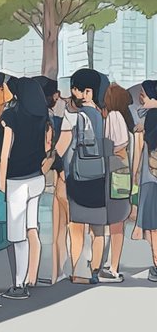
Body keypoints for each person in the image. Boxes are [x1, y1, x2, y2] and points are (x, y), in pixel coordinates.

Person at [0, 77, 54, 299]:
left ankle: (19, 285)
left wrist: (1, 183)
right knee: (32, 227)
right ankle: (32, 276)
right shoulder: (43, 116)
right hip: (36, 179)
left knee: (17, 235)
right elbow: (46, 147)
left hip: (17, 180)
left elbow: (5, 153)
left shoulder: (11, 116)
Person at [55, 68, 110, 284]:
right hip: (99, 175)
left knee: (76, 226)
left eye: (75, 90)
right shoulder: (102, 116)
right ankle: (95, 269)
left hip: (78, 177)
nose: (73, 94)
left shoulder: (74, 117)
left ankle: (78, 271)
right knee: (98, 227)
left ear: (83, 91)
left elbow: (62, 148)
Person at [37, 77, 69, 286]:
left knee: (37, 229)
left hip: (36, 176)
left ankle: (44, 273)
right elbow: (55, 150)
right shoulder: (53, 119)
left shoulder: (27, 115)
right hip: (53, 174)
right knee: (59, 227)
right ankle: (56, 272)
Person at [101, 82, 134, 282]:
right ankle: (112, 264)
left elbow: (115, 145)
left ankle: (112, 267)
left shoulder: (113, 117)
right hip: (122, 171)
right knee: (117, 221)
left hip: (114, 171)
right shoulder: (122, 117)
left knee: (115, 222)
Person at [132, 81, 157, 282]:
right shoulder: (147, 117)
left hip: (151, 178)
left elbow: (143, 150)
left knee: (153, 224)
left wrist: (134, 173)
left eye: (143, 95)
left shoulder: (150, 119)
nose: (140, 98)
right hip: (151, 176)